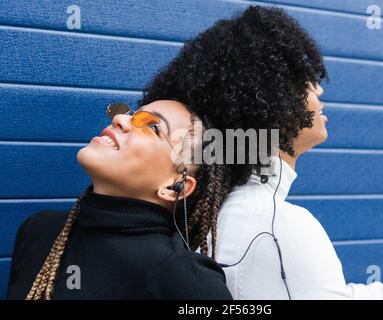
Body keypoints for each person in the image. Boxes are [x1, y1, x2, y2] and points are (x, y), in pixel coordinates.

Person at [140, 5, 383, 299]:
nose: (319, 89)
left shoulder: (241, 212)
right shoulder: (276, 225)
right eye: (305, 80)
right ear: (270, 103)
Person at [7, 99, 233, 300]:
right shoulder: (39, 231)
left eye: (153, 126)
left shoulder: (184, 277)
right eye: (131, 114)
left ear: (174, 188)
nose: (119, 119)